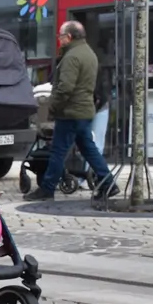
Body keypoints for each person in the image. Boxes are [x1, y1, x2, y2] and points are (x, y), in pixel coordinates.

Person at [25, 20, 118, 201]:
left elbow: (65, 88)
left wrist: (53, 107)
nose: (59, 40)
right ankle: (108, 184)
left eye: (60, 36)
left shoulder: (72, 57)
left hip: (70, 113)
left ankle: (47, 188)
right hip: (84, 111)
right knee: (89, 149)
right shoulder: (89, 53)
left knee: (58, 151)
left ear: (68, 37)